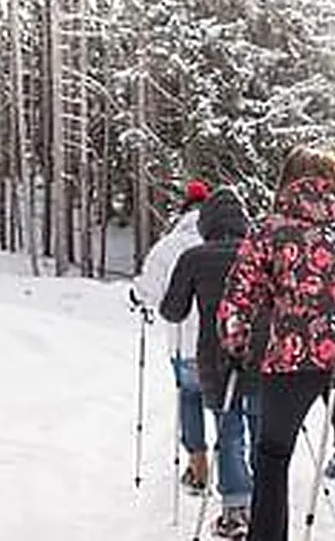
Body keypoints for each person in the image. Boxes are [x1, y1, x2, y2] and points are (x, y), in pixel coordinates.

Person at [218, 147, 335, 541]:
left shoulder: (271, 229)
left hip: (290, 358)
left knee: (273, 457)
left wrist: (237, 343)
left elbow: (239, 294)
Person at [161, 187, 260, 539]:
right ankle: (267, 503)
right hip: (261, 355)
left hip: (214, 358)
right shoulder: (260, 253)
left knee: (229, 432)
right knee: (263, 431)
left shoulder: (195, 257)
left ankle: (236, 510)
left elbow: (172, 310)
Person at [133, 178, 212, 493]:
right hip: (223, 343)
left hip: (184, 344)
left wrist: (136, 297)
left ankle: (197, 464)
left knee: (190, 397)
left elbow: (148, 290)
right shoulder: (225, 239)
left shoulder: (168, 246)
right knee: (228, 407)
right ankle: (234, 467)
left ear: (184, 210)